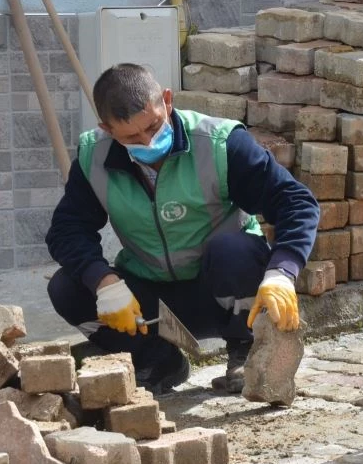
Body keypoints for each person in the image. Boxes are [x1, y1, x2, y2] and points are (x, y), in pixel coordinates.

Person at [45, 63, 319, 394]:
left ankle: (246, 351)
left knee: (232, 249)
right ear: (107, 129)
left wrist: (283, 272)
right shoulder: (94, 158)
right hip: (151, 306)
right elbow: (66, 230)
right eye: (132, 136)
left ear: (166, 100)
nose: (147, 141)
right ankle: (158, 360)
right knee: (66, 287)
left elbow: (296, 202)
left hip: (224, 292)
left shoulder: (219, 143)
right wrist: (104, 282)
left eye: (154, 126)